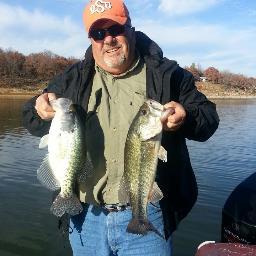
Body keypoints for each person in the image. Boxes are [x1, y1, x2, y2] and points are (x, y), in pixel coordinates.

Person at [22, 0, 219, 255]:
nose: (109, 40)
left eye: (115, 30)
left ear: (131, 29)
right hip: (86, 217)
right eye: (99, 33)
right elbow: (30, 117)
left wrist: (187, 118)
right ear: (91, 38)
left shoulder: (167, 74)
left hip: (148, 212)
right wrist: (39, 107)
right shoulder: (73, 78)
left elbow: (208, 119)